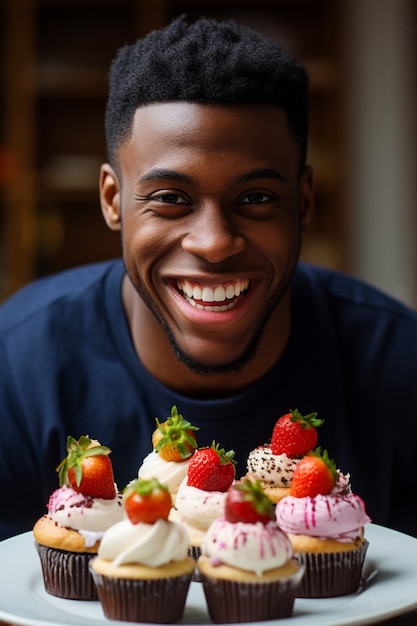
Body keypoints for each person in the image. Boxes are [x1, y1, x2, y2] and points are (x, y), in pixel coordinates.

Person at [0, 14, 416, 543]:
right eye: (171, 199)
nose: (215, 242)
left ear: (303, 203)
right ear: (112, 201)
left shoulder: (401, 361)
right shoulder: (15, 364)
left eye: (257, 198)